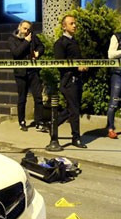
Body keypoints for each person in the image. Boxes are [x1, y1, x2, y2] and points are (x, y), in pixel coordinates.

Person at [53, 15, 88, 148]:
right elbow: (60, 64)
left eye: (75, 23)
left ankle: (53, 125)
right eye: (71, 23)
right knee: (74, 110)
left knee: (72, 108)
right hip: (68, 81)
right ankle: (76, 137)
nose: (74, 26)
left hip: (77, 79)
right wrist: (76, 66)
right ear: (64, 26)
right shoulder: (60, 43)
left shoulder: (74, 41)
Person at [8, 20, 46, 132]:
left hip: (33, 71)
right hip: (21, 73)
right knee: (22, 98)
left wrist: (38, 53)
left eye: (28, 29)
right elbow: (16, 53)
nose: (26, 31)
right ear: (19, 27)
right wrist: (26, 41)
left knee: (38, 97)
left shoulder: (32, 37)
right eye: (24, 28)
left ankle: (39, 122)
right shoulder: (12, 39)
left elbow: (41, 47)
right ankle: (22, 121)